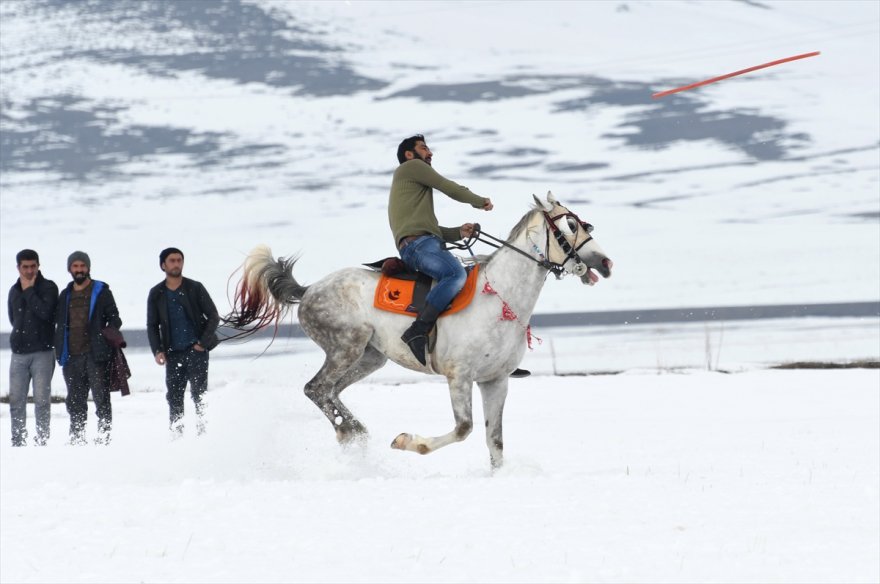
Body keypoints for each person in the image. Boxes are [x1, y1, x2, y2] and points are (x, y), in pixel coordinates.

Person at [388, 134, 496, 366]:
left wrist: (458, 232)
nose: (430, 153)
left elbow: (429, 229)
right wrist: (479, 201)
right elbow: (448, 187)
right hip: (418, 246)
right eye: (424, 148)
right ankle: (418, 330)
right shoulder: (411, 166)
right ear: (409, 154)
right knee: (455, 274)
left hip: (422, 243)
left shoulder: (410, 184)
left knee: (471, 279)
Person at [146, 247, 219, 437]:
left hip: (196, 352)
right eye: (172, 261)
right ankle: (177, 438)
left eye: (179, 260)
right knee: (174, 398)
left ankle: (203, 435)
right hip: (172, 353)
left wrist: (202, 343)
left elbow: (213, 316)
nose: (176, 264)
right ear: (163, 265)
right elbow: (152, 325)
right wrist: (157, 350)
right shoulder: (156, 293)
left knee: (199, 396)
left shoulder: (195, 287)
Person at [54, 251, 122, 445]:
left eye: (82, 266)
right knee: (75, 400)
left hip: (96, 355)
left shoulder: (101, 292)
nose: (79, 270)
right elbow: (59, 324)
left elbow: (115, 319)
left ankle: (104, 437)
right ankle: (77, 438)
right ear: (69, 269)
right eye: (75, 266)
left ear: (88, 268)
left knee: (101, 398)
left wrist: (104, 336)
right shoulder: (65, 295)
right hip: (71, 356)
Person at [7, 249, 58, 446]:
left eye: (33, 266)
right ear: (18, 267)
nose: (29, 271)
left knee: (42, 400)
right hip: (19, 353)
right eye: (25, 267)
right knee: (16, 400)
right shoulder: (14, 290)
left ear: (38, 266)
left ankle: (42, 440)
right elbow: (13, 319)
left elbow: (46, 313)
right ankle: (18, 441)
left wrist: (29, 291)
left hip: (42, 351)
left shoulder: (48, 287)